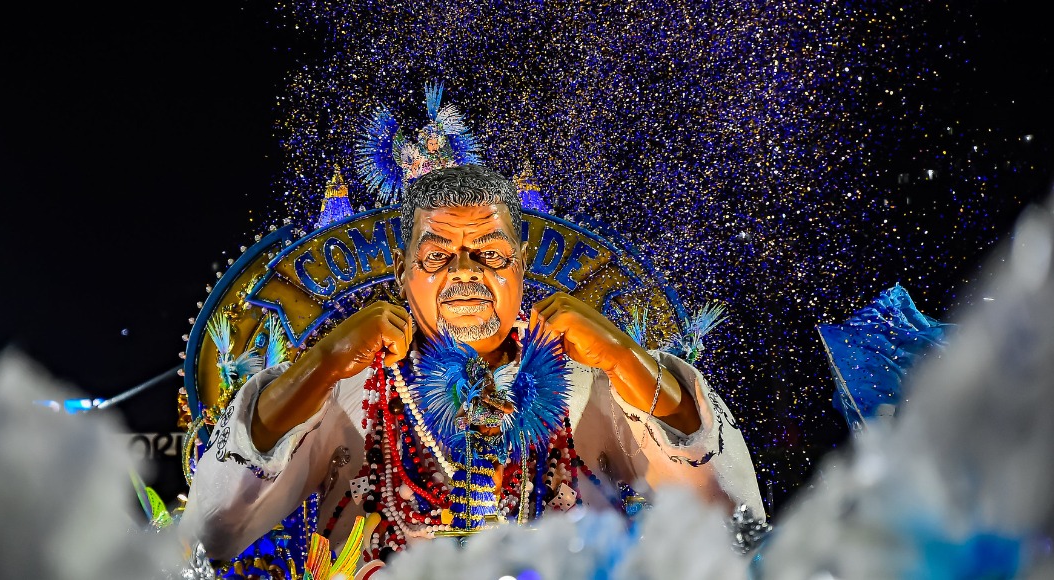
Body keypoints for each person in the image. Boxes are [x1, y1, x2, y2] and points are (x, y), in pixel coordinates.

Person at [183, 164, 763, 563]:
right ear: (400, 268)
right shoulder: (345, 394)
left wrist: (622, 356)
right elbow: (212, 535)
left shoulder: (595, 389)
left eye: (489, 252)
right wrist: (323, 363)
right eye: (437, 255)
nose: (466, 272)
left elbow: (733, 520)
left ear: (522, 263)